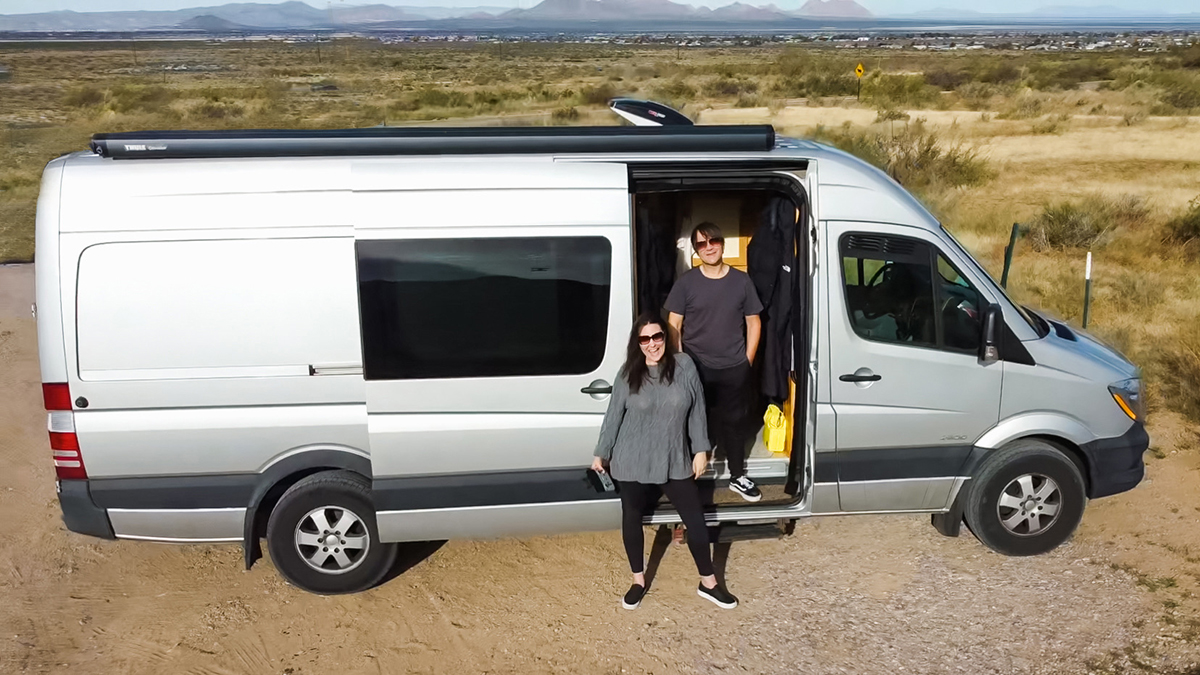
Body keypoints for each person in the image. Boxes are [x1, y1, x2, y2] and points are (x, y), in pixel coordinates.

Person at [592, 313, 739, 611]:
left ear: (665, 338)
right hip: (631, 458)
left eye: (657, 336)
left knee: (695, 520)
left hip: (673, 456)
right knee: (631, 518)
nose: (652, 344)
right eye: (644, 339)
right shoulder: (628, 373)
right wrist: (601, 453)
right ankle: (638, 580)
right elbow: (613, 418)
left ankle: (708, 583)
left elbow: (697, 409)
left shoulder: (684, 366)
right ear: (638, 343)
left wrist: (701, 449)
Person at [665, 222, 764, 502]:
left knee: (734, 423)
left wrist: (747, 360)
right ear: (696, 250)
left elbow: (754, 322)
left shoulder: (741, 281)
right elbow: (674, 324)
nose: (708, 248)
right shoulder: (686, 283)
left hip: (734, 367)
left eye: (714, 241)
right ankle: (689, 479)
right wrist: (681, 362)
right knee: (695, 422)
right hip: (696, 367)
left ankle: (736, 476)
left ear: (722, 244)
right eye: (701, 244)